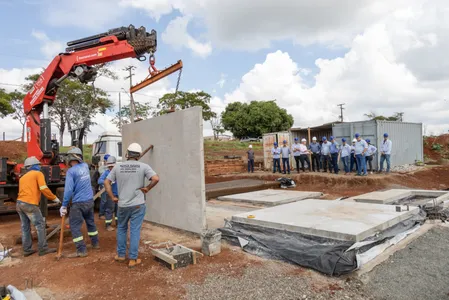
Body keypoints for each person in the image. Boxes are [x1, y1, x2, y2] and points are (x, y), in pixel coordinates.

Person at [105, 143, 159, 268]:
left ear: (127, 154)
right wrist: (147, 188)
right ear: (139, 155)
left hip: (122, 205)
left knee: (122, 229)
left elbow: (106, 182)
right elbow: (156, 178)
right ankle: (133, 259)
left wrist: (112, 197)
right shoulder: (144, 166)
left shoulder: (117, 167)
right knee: (134, 230)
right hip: (138, 205)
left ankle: (121, 255)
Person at [16, 157, 60, 257]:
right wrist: (54, 198)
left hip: (19, 204)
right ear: (35, 166)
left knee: (25, 227)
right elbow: (44, 188)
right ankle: (43, 248)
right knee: (40, 225)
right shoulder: (38, 174)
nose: (40, 167)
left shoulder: (23, 177)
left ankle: (27, 249)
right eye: (38, 165)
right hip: (29, 204)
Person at [60, 147, 99, 258]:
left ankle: (81, 250)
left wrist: (64, 205)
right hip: (89, 201)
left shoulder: (71, 172)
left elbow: (68, 190)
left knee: (75, 227)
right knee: (90, 223)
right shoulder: (85, 166)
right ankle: (95, 243)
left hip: (78, 203)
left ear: (70, 158)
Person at [98, 156, 118, 231]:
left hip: (118, 194)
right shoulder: (106, 173)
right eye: (109, 167)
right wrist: (107, 182)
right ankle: (108, 225)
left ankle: (118, 224)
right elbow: (99, 181)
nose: (110, 168)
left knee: (118, 210)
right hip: (110, 194)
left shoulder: (118, 172)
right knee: (110, 210)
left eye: (112, 167)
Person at [98, 154, 110, 219]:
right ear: (105, 161)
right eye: (107, 160)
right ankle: (101, 214)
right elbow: (101, 178)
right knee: (104, 200)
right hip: (103, 186)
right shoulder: (102, 168)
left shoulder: (110, 168)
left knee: (109, 200)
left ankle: (107, 213)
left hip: (110, 186)